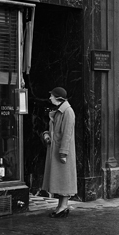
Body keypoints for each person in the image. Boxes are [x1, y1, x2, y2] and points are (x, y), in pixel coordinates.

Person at [41, 87, 77, 218]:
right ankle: (61, 206)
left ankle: (63, 206)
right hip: (57, 149)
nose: (50, 98)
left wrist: (63, 152)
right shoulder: (60, 111)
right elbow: (54, 131)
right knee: (61, 180)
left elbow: (67, 134)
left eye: (52, 96)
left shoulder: (67, 112)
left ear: (58, 97)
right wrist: (46, 135)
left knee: (65, 179)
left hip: (62, 151)